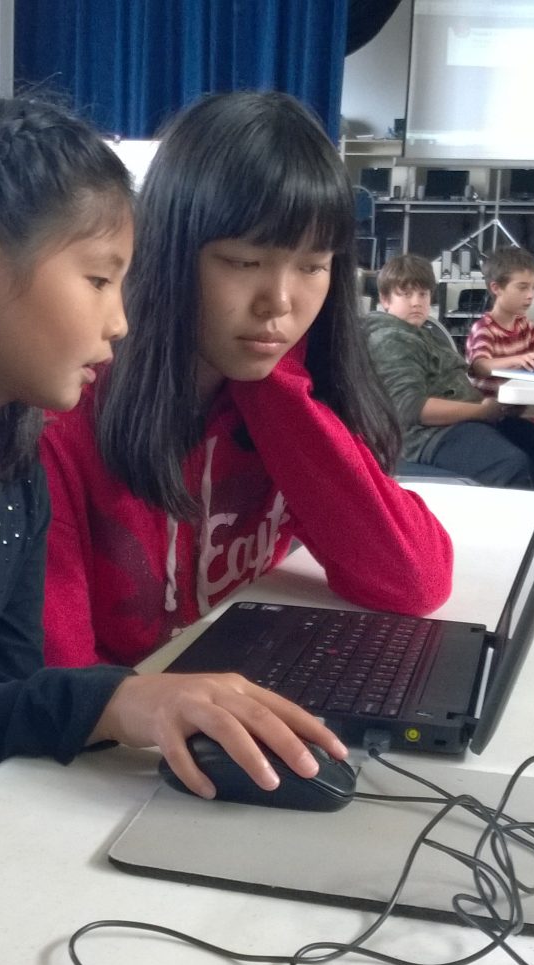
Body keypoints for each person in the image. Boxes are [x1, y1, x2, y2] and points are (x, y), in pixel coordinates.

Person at [0, 91, 349, 833]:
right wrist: (116, 699)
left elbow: (8, 694)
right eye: (100, 280)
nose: (122, 320)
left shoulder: (16, 457)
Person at [39, 91, 454, 670]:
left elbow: (415, 578)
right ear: (166, 255)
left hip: (226, 696)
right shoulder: (64, 416)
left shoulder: (283, 398)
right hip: (119, 740)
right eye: (243, 262)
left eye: (312, 266)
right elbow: (57, 683)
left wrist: (275, 387)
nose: (279, 303)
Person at [365, 254, 534, 488]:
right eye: (406, 294)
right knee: (512, 466)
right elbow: (411, 408)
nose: (416, 302)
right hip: (425, 436)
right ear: (385, 299)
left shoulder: (416, 333)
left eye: (423, 294)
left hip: (460, 422)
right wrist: (480, 412)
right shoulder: (390, 338)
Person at [465, 245, 534, 396]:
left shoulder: (525, 326)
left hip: (511, 413)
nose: (531, 295)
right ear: (496, 288)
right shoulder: (484, 328)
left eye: (533, 287)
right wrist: (518, 360)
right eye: (522, 288)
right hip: (484, 415)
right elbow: (480, 366)